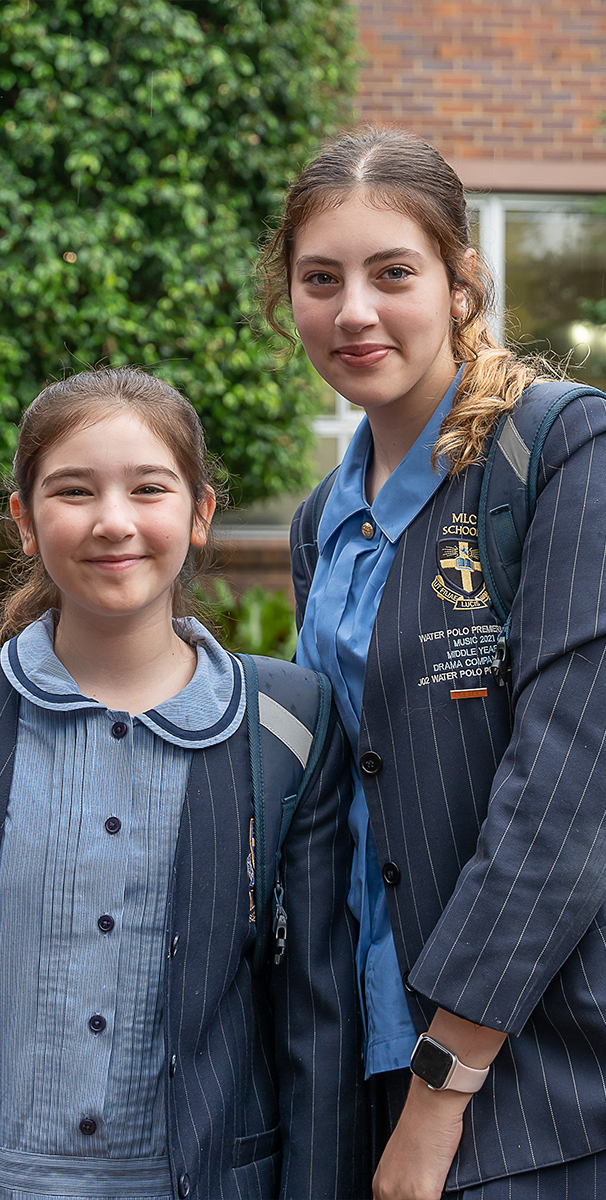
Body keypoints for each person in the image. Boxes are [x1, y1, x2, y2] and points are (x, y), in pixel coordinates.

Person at [0, 368, 368, 1200]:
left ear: (199, 513)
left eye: (149, 488)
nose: (113, 521)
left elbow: (318, 1018)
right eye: (73, 490)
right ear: (24, 520)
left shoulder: (286, 722)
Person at [257, 125, 606, 1199]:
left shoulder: (561, 450)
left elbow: (568, 786)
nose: (353, 311)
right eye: (322, 279)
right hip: (366, 1055)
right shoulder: (321, 523)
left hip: (535, 1087)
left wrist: (442, 1086)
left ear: (460, 285)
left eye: (392, 273)